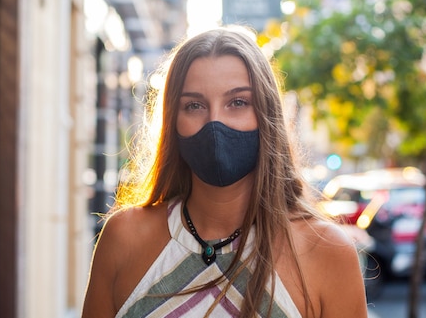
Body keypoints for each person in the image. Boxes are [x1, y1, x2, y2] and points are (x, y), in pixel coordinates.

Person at [81, 25, 368, 317]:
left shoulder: (327, 252)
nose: (214, 123)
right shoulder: (123, 238)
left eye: (238, 102)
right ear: (172, 121)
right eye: (194, 105)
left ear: (267, 116)